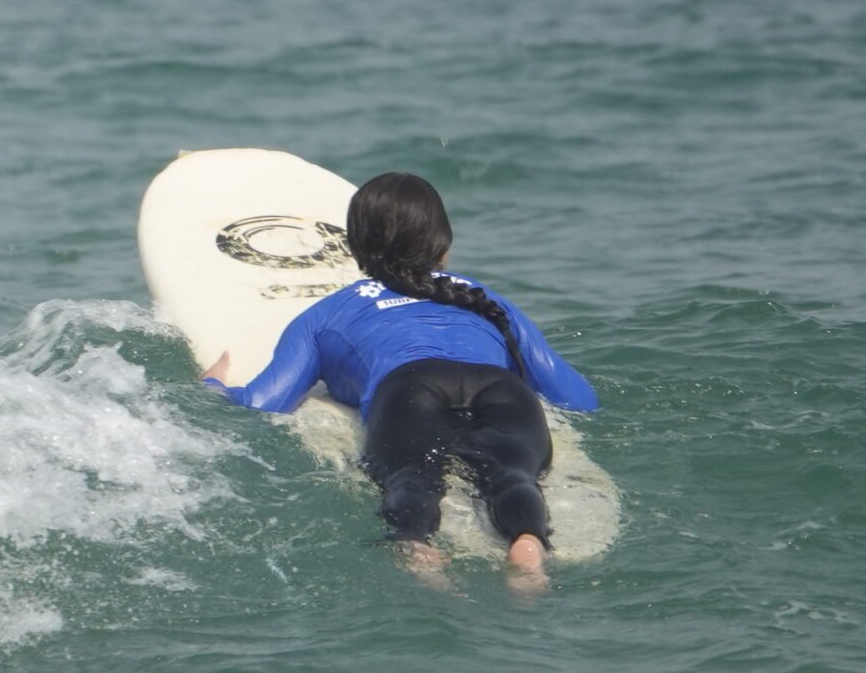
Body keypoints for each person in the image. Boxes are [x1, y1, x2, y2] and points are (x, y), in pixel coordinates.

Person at [202, 172, 598, 574]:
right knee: (513, 476)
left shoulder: (326, 314)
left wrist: (212, 386)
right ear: (443, 246)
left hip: (410, 390)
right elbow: (579, 400)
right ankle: (528, 540)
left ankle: (417, 546)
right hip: (503, 390)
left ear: (356, 248)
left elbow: (262, 405)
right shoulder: (485, 298)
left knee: (412, 479)